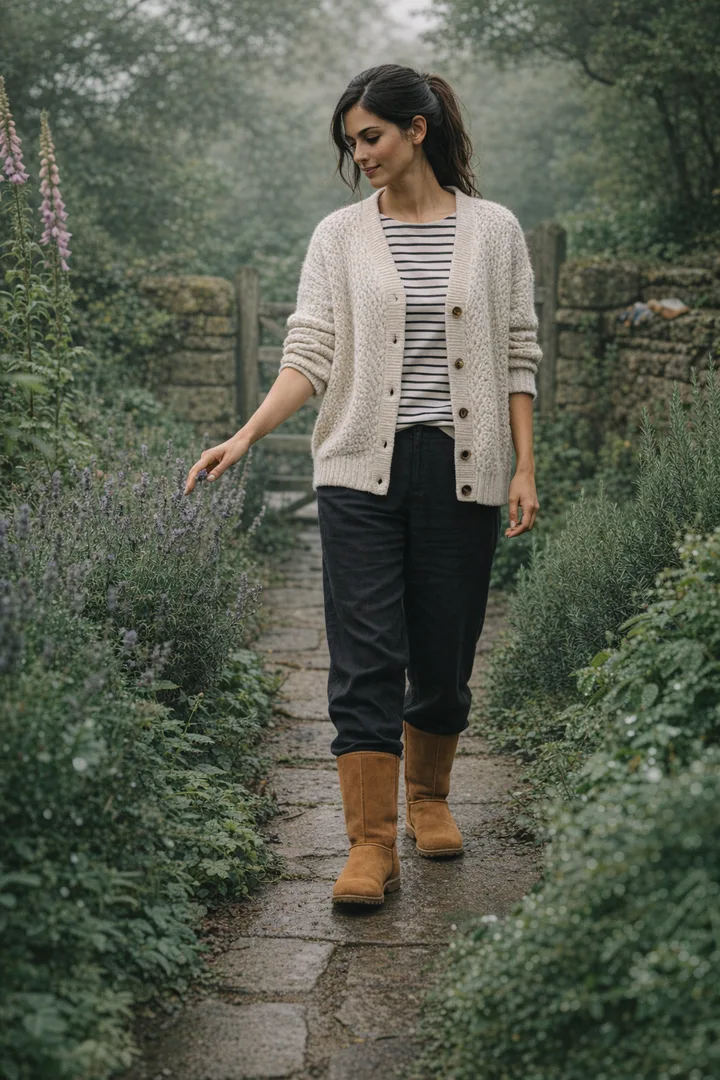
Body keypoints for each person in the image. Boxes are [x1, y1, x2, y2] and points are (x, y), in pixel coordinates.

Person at [184, 63, 542, 908]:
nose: (361, 155)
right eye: (352, 142)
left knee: (446, 658)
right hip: (358, 472)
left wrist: (525, 464)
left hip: (465, 467)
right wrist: (244, 435)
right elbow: (309, 352)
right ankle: (370, 843)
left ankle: (430, 799)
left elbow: (519, 352)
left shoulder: (494, 231)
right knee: (366, 655)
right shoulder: (338, 238)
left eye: (371, 136)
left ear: (418, 129)